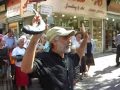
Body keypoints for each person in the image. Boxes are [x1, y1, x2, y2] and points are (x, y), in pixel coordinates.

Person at [21, 13, 88, 90]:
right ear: (54, 41)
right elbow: (25, 68)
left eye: (70, 37)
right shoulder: (43, 59)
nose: (69, 41)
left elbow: (79, 54)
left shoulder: (69, 58)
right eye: (65, 37)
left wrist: (85, 38)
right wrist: (35, 37)